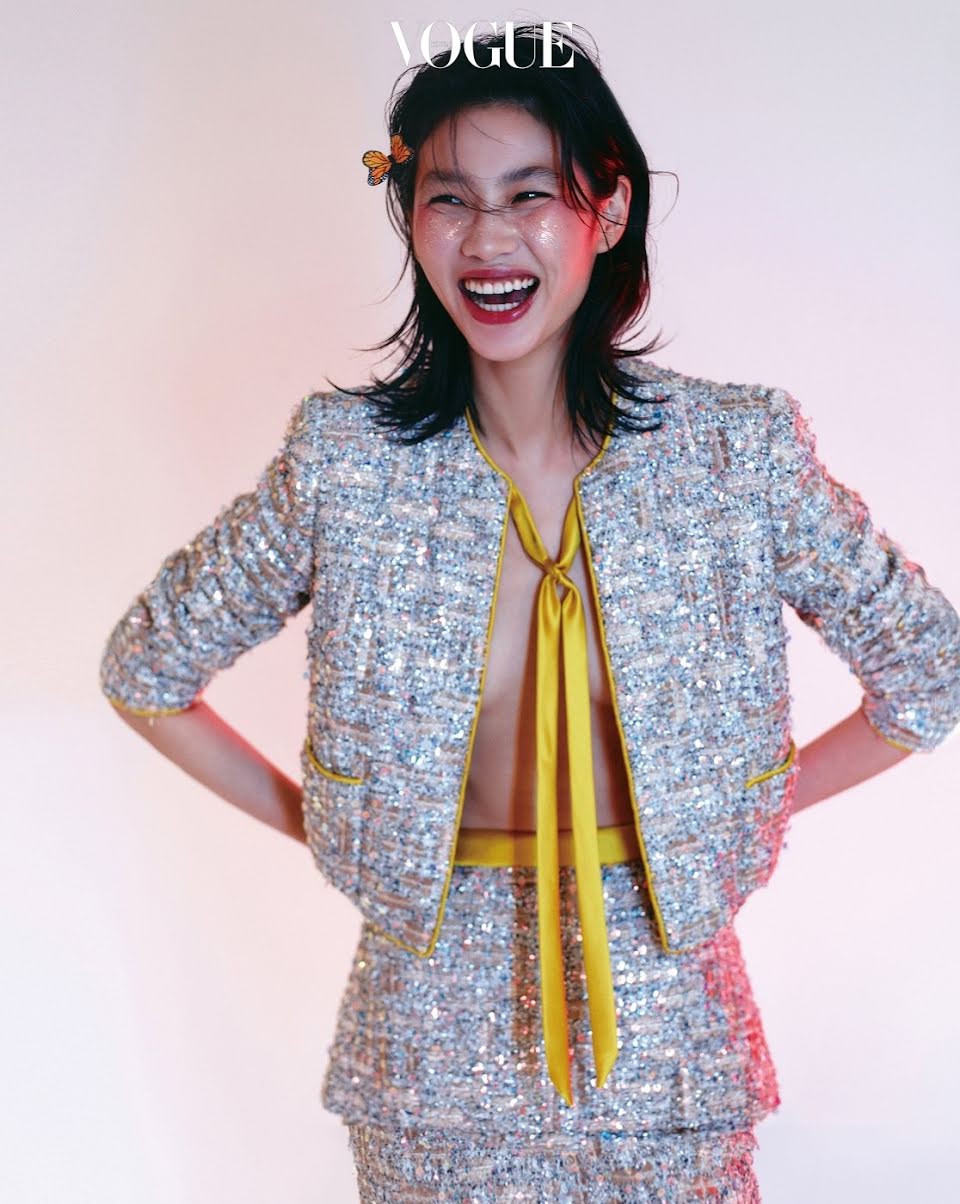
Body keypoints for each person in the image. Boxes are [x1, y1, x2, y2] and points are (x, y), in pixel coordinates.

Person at [99, 23, 960, 1203]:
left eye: (530, 195)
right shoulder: (346, 465)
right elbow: (146, 669)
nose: (488, 238)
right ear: (410, 217)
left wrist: (731, 814)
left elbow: (928, 668)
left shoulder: (735, 453)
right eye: (449, 197)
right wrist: (349, 831)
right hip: (424, 1061)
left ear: (608, 209)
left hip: (674, 1049)